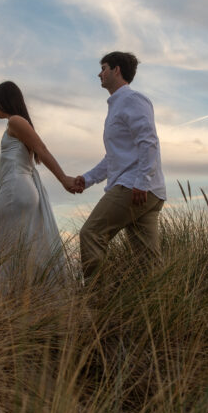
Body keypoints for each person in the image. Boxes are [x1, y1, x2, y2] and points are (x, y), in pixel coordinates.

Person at [73, 52, 166, 280]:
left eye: (103, 68)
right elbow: (114, 157)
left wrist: (142, 182)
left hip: (134, 187)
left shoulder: (133, 100)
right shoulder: (116, 106)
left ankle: (97, 299)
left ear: (117, 70)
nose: (99, 73)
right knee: (148, 263)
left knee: (91, 233)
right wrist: (87, 179)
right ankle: (161, 309)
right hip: (142, 189)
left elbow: (149, 141)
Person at [0, 81, 78, 290]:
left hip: (15, 189)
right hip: (20, 189)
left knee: (0, 250)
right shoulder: (16, 123)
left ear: (4, 100)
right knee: (19, 250)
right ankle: (20, 300)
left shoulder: (16, 121)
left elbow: (41, 149)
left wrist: (63, 178)